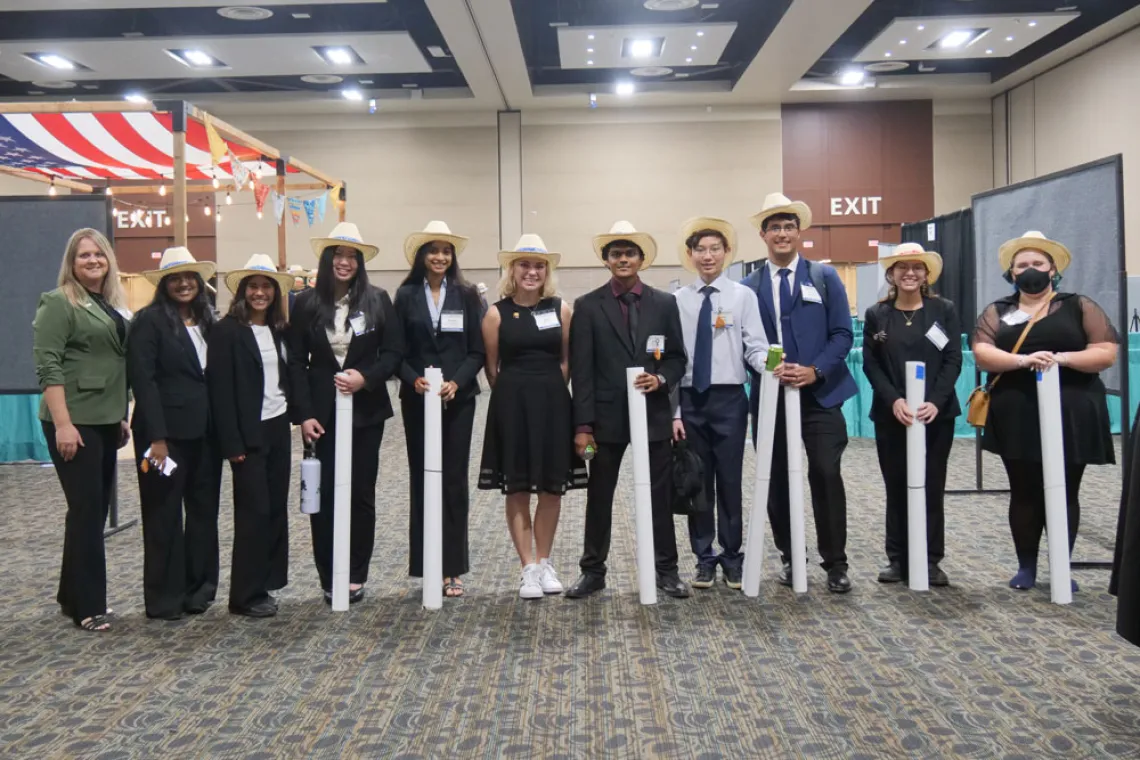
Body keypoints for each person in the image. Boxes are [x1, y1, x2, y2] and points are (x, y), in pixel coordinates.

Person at [973, 230, 1117, 592]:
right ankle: (1027, 566)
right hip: (1016, 411)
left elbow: (1105, 350)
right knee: (1023, 490)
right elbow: (983, 352)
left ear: (1053, 269)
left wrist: (1060, 358)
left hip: (1073, 410)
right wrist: (1023, 360)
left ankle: (1061, 566)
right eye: (1022, 264)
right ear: (1012, 272)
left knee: (1066, 489)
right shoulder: (997, 310)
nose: (1030, 269)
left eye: (1038, 263)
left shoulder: (1079, 305)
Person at [566, 220, 690, 599]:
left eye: (630, 253)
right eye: (616, 254)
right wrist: (583, 426)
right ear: (606, 261)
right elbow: (582, 372)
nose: (623, 259)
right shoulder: (588, 307)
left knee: (658, 494)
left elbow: (676, 358)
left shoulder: (665, 303)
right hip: (605, 421)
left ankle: (666, 571)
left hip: (652, 416)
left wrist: (661, 380)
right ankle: (593, 571)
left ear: (641, 259)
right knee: (600, 495)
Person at [741, 193, 857, 593]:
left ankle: (835, 563)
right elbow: (742, 340)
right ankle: (791, 558)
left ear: (799, 232)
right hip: (770, 398)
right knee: (775, 480)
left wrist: (815, 370)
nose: (782, 233)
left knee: (826, 473)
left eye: (789, 226)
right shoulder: (748, 286)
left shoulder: (824, 278)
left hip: (820, 396)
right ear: (763, 234)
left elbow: (843, 333)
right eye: (775, 227)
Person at [289, 223, 402, 605]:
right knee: (323, 494)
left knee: (361, 492)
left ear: (360, 262)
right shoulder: (304, 304)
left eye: (352, 256)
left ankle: (355, 573)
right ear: (327, 259)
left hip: (365, 412)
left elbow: (393, 354)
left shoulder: (377, 299)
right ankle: (328, 573)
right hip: (320, 414)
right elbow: (295, 364)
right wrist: (303, 414)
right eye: (338, 254)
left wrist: (366, 378)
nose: (344, 261)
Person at [478, 235, 588, 599]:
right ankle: (526, 568)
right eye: (524, 265)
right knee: (519, 485)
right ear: (513, 269)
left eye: (538, 265)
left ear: (547, 271)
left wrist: (553, 390)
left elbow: (567, 359)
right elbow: (491, 368)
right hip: (511, 405)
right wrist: (514, 392)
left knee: (552, 487)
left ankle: (544, 562)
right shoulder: (495, 312)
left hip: (554, 403)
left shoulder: (561, 309)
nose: (531, 272)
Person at [33, 228, 131, 632]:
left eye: (98, 255)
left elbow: (113, 364)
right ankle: (89, 606)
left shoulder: (109, 305)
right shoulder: (58, 303)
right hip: (73, 420)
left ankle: (69, 595)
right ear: (71, 264)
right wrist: (63, 424)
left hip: (106, 419)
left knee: (87, 511)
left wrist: (121, 414)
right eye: (83, 256)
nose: (92, 261)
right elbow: (48, 367)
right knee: (89, 513)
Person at [672, 217, 768, 591]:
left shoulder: (743, 296)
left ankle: (732, 556)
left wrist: (771, 365)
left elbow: (755, 345)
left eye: (715, 249)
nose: (708, 256)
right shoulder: (678, 300)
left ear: (727, 253)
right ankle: (703, 558)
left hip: (730, 399)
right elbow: (674, 358)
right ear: (691, 255)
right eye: (701, 250)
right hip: (691, 399)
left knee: (729, 480)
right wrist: (676, 411)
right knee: (696, 481)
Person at [127, 247, 222, 620]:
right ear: (164, 284)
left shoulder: (209, 320)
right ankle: (165, 599)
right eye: (176, 278)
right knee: (163, 515)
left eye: (190, 278)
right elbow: (144, 382)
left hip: (206, 435)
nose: (184, 284)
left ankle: (199, 591)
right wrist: (157, 439)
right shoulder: (148, 322)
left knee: (203, 514)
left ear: (199, 283)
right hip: (163, 439)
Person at [861, 244, 962, 587]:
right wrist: (894, 401)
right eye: (901, 267)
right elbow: (871, 364)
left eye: (916, 267)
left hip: (936, 415)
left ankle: (931, 560)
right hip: (893, 415)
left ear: (926, 274)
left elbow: (953, 358)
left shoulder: (943, 310)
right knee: (896, 486)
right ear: (891, 274)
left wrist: (934, 400)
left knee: (932, 486)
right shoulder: (877, 314)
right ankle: (898, 558)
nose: (909, 273)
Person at [395, 220, 485, 597]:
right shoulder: (405, 294)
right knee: (422, 477)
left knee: (452, 479)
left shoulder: (466, 295)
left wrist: (457, 382)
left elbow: (477, 351)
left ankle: (452, 568)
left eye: (446, 251)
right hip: (417, 399)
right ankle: (425, 564)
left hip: (457, 400)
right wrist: (413, 378)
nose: (440, 257)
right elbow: (395, 352)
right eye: (433, 250)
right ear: (421, 255)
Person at [207, 254, 296, 618]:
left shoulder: (279, 329)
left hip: (278, 427)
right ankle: (244, 595)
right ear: (242, 292)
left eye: (266, 287)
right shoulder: (226, 331)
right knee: (253, 514)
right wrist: (232, 443)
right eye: (253, 287)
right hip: (246, 433)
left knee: (275, 509)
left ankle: (265, 584)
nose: (260, 293)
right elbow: (220, 390)